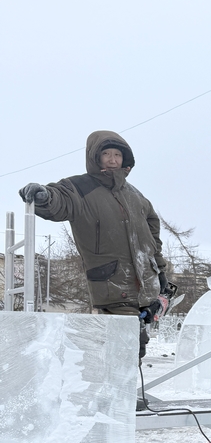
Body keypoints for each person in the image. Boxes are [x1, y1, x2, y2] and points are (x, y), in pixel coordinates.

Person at [18, 130, 168, 360]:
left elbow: (152, 235)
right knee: (124, 345)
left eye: (117, 154)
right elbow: (59, 200)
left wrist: (160, 270)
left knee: (133, 346)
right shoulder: (80, 187)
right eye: (106, 153)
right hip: (112, 284)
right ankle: (117, 394)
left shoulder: (135, 196)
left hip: (145, 285)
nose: (112, 159)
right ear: (94, 157)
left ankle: (123, 393)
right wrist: (44, 196)